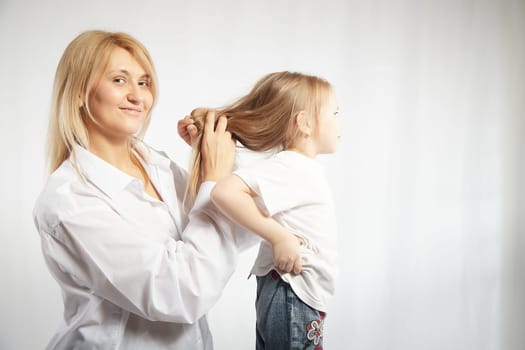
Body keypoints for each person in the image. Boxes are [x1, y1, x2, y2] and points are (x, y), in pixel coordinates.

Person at [32, 29, 267, 350]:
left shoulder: (156, 164)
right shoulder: (69, 201)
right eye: (119, 80)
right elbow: (182, 293)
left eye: (143, 82)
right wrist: (213, 178)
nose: (137, 96)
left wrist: (211, 159)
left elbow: (241, 228)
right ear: (77, 93)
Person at [187, 71, 341, 350]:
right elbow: (225, 192)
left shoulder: (295, 168)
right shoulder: (294, 167)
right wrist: (279, 237)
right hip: (293, 290)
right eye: (335, 113)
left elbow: (240, 188)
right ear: (304, 123)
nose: (339, 122)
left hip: (294, 293)